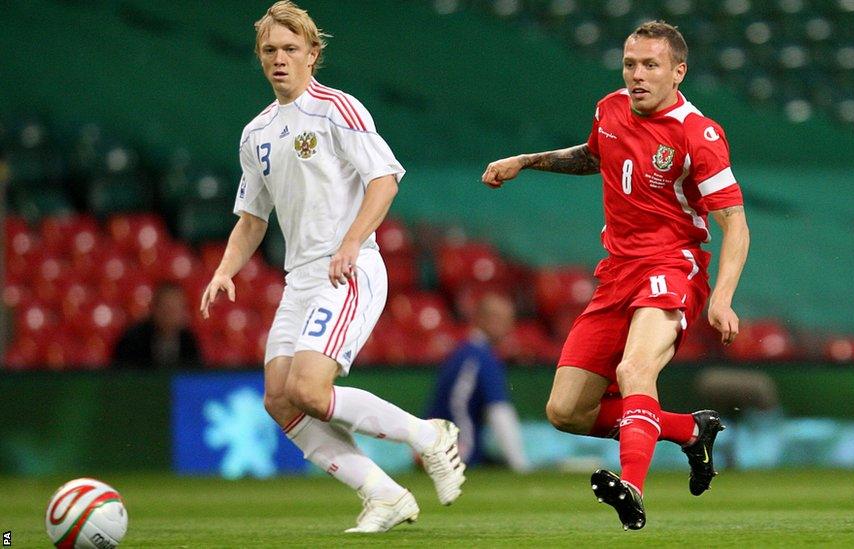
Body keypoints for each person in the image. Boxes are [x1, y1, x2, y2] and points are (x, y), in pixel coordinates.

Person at [200, 1, 465, 533]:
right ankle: (382, 493)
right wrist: (224, 269)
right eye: (270, 50)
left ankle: (428, 435)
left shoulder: (338, 109)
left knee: (309, 390)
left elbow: (385, 179)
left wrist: (350, 242)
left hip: (350, 268)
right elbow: (252, 218)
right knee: (279, 398)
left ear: (312, 55)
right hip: (301, 278)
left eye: (291, 49)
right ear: (259, 56)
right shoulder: (257, 134)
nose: (280, 59)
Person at [481, 21, 750, 530]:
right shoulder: (610, 108)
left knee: (634, 372)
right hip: (617, 273)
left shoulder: (699, 133)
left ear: (678, 71)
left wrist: (722, 298)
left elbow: (735, 223)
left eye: (651, 65)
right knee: (566, 412)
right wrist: (525, 160)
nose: (637, 75)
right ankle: (690, 432)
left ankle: (633, 487)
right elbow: (593, 156)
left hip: (671, 266)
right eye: (630, 64)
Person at [427, 293, 531, 473]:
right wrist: (520, 465)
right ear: (484, 319)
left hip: (434, 446)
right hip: (458, 453)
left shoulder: (464, 352)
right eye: (502, 320)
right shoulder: (481, 357)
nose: (508, 327)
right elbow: (500, 412)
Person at [114, 282, 201, 368]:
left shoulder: (189, 342)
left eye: (175, 310)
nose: (170, 316)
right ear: (154, 309)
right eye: (166, 309)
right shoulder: (132, 341)